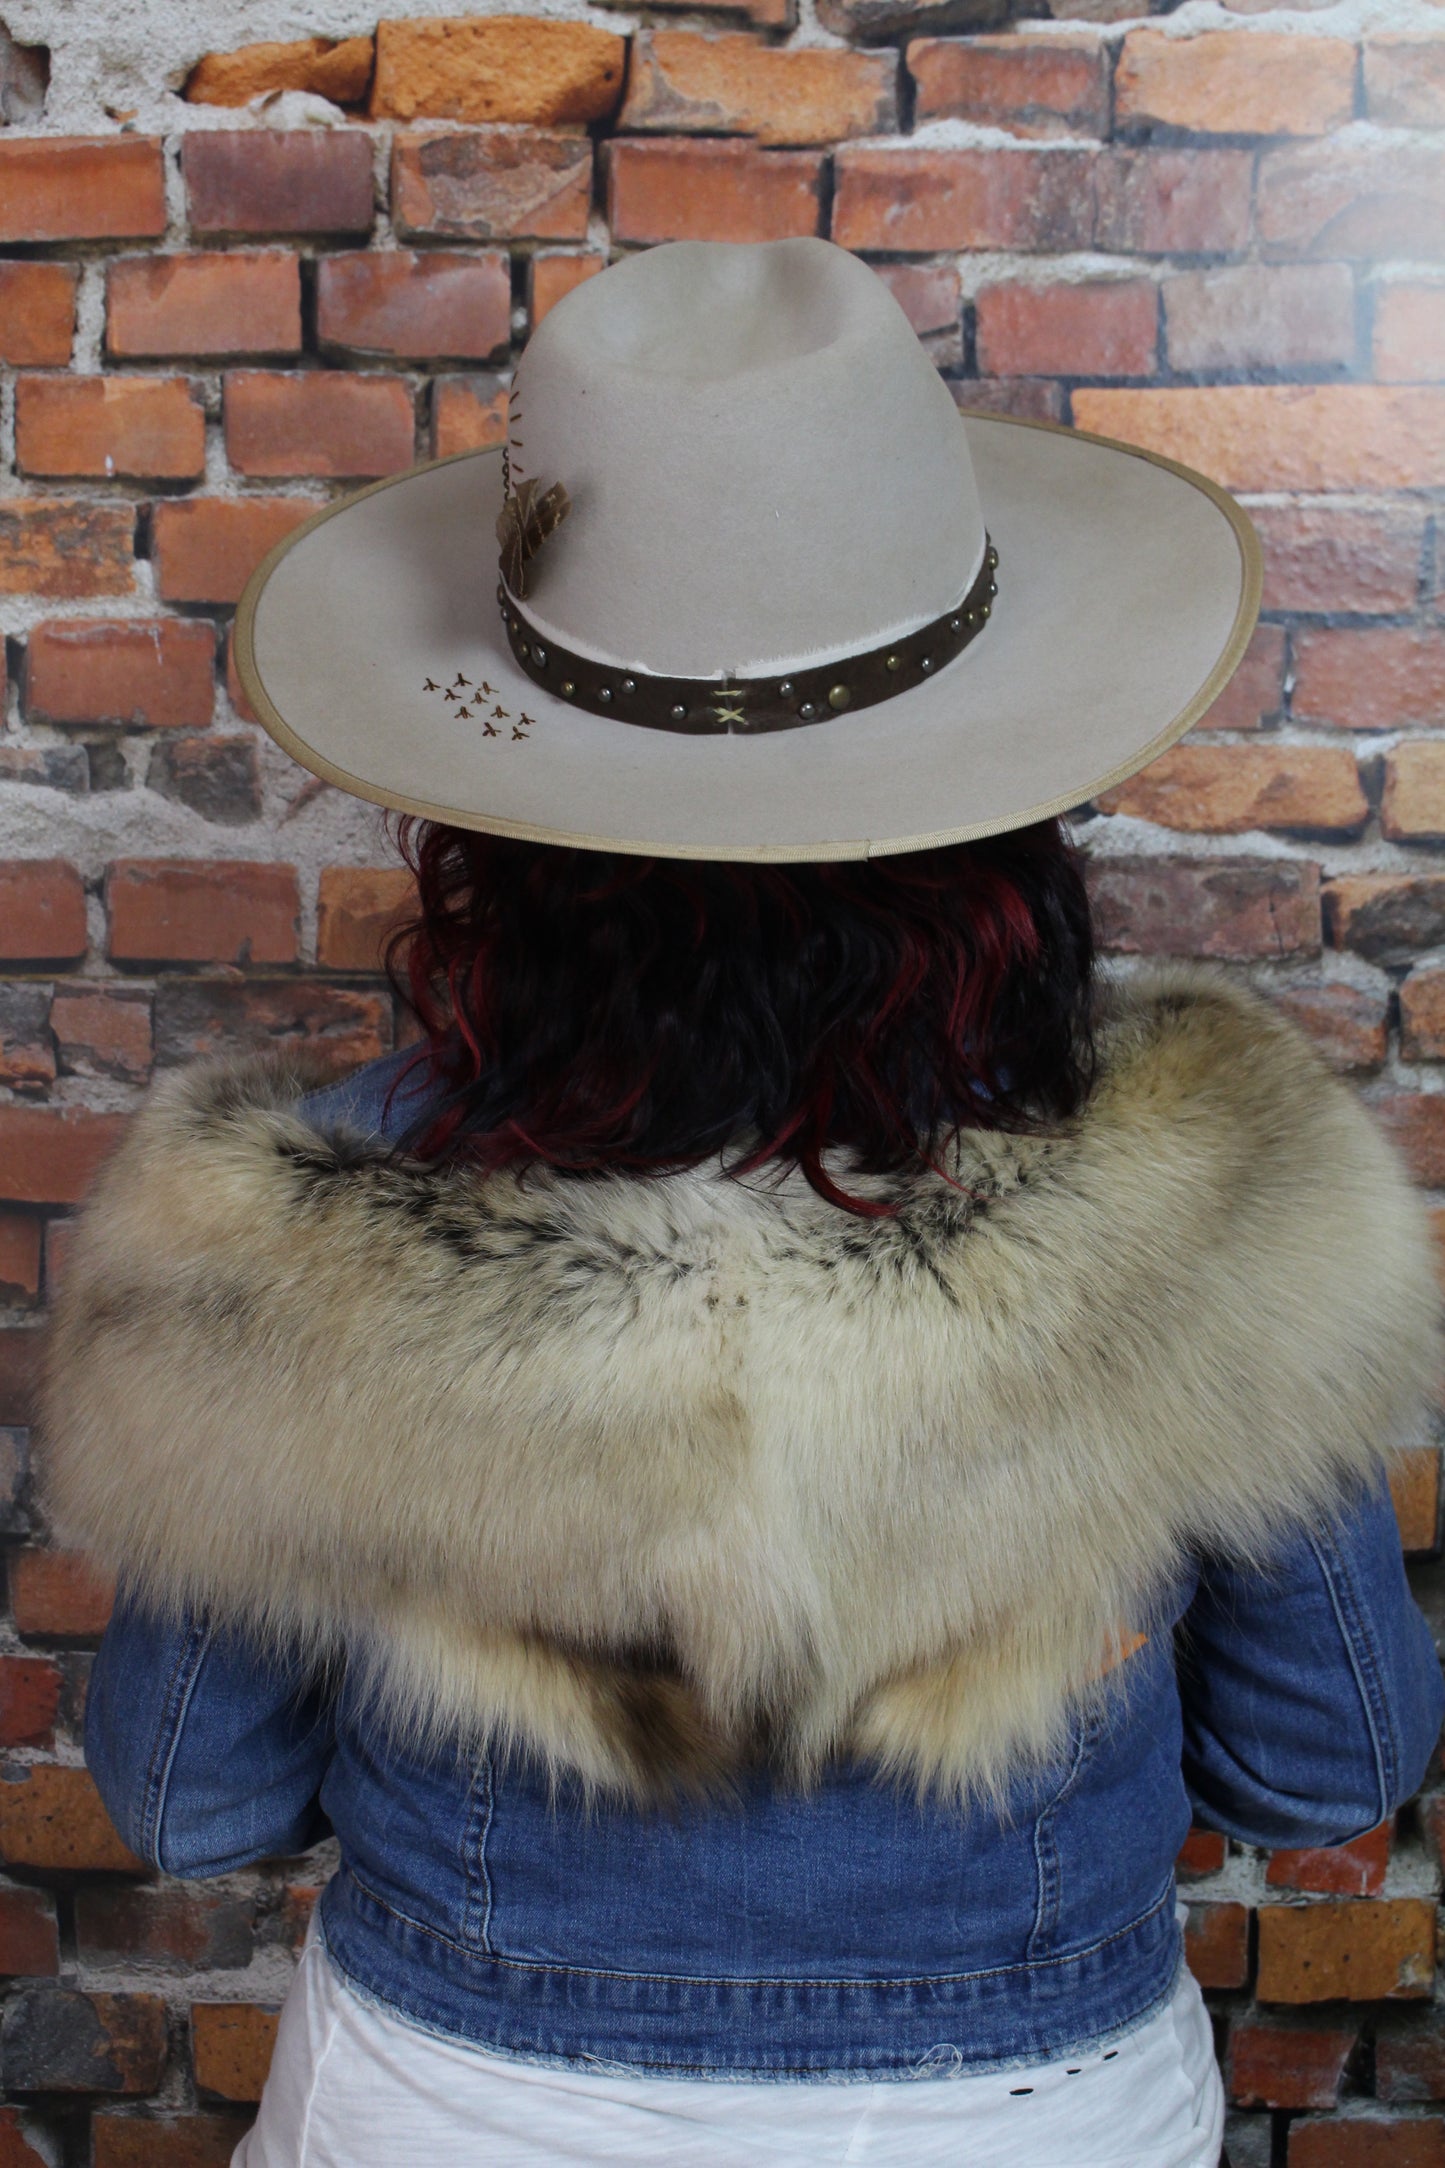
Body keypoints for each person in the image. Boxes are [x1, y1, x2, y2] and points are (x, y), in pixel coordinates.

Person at [45, 239, 1442, 2168]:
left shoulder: (292, 1224)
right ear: (1000, 800)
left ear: (501, 828)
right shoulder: (1205, 1193)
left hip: (462, 2102)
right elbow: (1321, 1764)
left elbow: (191, 1804)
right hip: (1030, 2108)